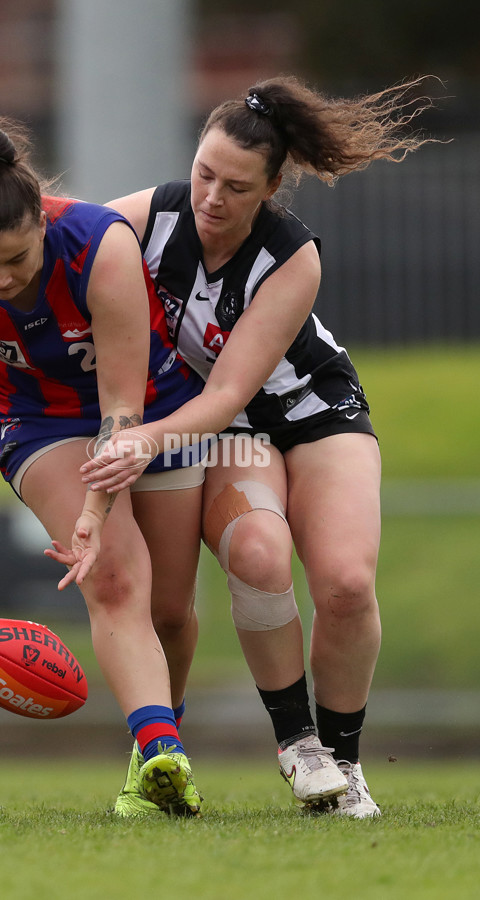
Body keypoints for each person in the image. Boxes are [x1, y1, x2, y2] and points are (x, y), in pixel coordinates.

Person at [79, 75, 440, 817]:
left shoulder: (292, 257)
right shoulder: (148, 217)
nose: (212, 197)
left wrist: (139, 439)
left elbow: (225, 393)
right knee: (256, 554)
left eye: (236, 187)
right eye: (204, 174)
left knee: (344, 582)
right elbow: (60, 245)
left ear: (273, 186)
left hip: (309, 409)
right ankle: (299, 747)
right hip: (234, 435)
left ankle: (345, 761)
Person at [0, 116, 208, 817]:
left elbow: (120, 408)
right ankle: (160, 758)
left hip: (149, 414)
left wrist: (93, 510)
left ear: (41, 226)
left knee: (170, 611)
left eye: (15, 258)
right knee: (112, 577)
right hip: (44, 427)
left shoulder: (99, 245)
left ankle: (159, 743)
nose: (1, 277)